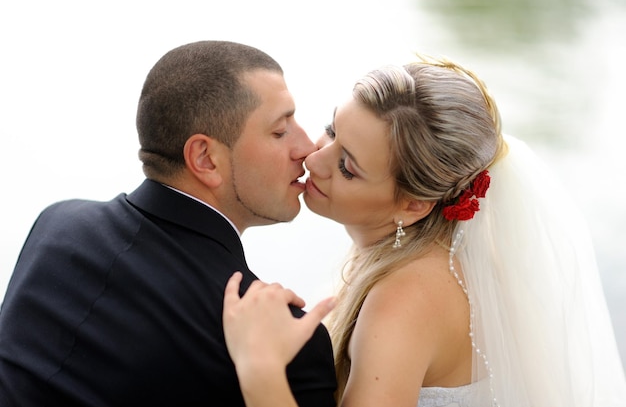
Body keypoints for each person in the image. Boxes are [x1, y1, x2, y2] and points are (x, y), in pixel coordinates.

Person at [222, 55, 626, 406]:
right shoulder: (419, 257)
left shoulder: (404, 299)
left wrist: (260, 371)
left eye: (348, 167)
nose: (315, 157)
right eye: (332, 129)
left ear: (413, 205)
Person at [0, 41, 337, 406]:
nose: (306, 147)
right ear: (205, 158)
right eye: (279, 130)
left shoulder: (56, 225)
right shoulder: (287, 343)